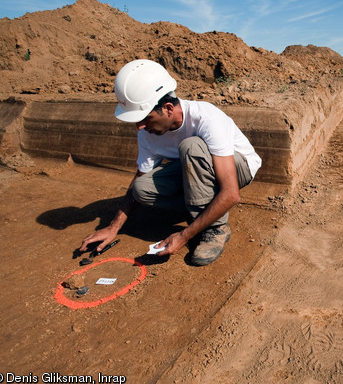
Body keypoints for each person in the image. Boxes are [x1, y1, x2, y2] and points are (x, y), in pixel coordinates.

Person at [79, 59, 261, 265]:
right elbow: (140, 175)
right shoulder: (147, 131)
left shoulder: (206, 118)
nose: (140, 126)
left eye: (146, 118)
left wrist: (183, 236)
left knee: (191, 147)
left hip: (239, 166)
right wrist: (114, 226)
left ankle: (215, 228)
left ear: (167, 108)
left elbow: (231, 193)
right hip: (196, 169)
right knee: (141, 188)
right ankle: (203, 209)